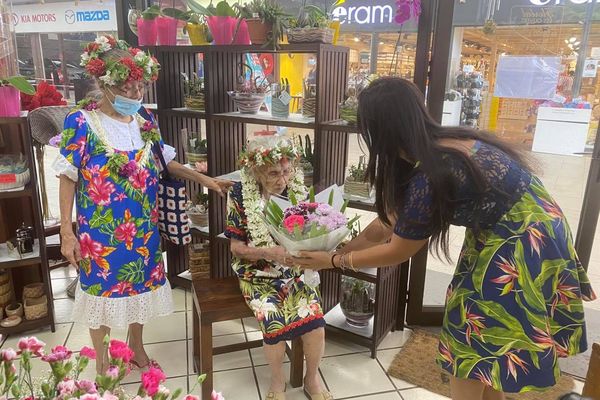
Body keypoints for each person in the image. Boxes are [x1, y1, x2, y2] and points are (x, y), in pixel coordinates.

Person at [293, 77, 596, 400]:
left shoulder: (432, 173)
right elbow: (385, 226)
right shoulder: (441, 143)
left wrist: (337, 261)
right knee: (486, 347)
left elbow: (398, 250)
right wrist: (339, 248)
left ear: (381, 131)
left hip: (521, 241)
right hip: (527, 228)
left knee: (469, 340)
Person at [53, 35, 231, 374]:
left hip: (143, 230)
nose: (137, 95)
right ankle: (104, 363)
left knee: (139, 291)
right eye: (130, 88)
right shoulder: (81, 123)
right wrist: (66, 231)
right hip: (99, 234)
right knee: (101, 300)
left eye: (141, 87)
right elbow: (67, 177)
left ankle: (136, 347)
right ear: (105, 85)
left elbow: (166, 163)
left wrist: (207, 180)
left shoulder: (144, 120)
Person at [224, 137, 331, 400]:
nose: (281, 179)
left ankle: (312, 379)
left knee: (316, 324)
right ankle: (277, 382)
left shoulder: (296, 191)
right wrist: (267, 252)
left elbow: (308, 230)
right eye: (273, 173)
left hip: (294, 270)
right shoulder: (239, 194)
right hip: (257, 272)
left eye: (286, 171)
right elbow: (235, 247)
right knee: (273, 323)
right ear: (256, 172)